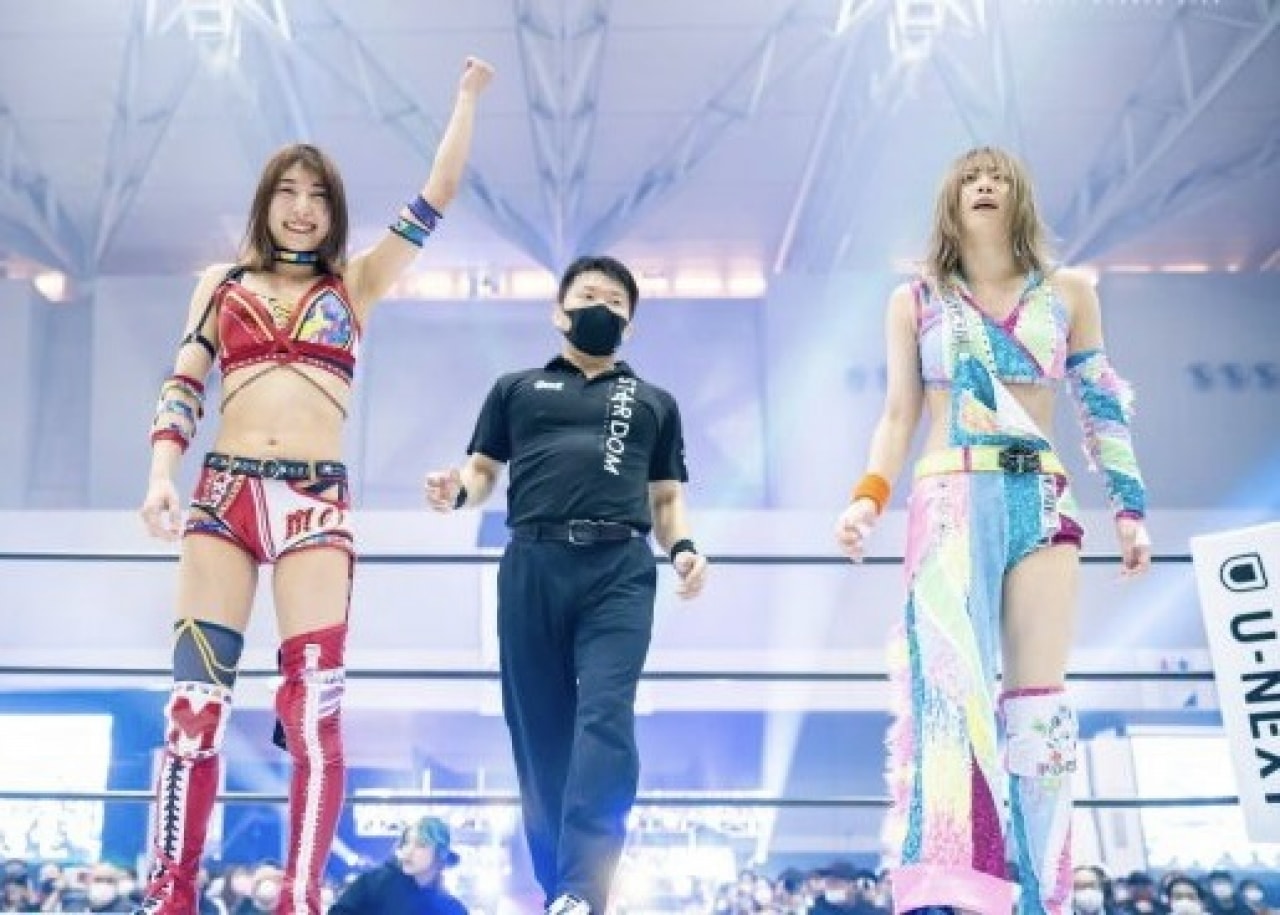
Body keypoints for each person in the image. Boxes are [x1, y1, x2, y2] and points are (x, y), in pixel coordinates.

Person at [134, 57, 495, 915]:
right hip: (222, 498)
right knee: (193, 709)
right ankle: (170, 896)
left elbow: (438, 194)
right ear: (265, 201)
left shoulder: (355, 284)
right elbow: (184, 383)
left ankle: (297, 897)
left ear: (334, 211)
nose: (302, 206)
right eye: (288, 191)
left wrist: (465, 97)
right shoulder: (220, 285)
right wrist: (160, 474)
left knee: (312, 716)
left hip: (312, 505)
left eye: (319, 195)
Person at [834, 147, 1152, 915]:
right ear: (952, 198)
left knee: (1041, 707)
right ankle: (960, 895)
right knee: (951, 695)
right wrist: (867, 498)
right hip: (950, 497)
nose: (984, 185)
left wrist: (1131, 508)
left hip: (1041, 498)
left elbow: (1099, 403)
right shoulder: (916, 299)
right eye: (971, 177)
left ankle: (1047, 899)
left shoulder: (1069, 292)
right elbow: (898, 415)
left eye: (998, 176)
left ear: (1020, 196)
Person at [424, 254, 710, 915]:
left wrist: (685, 548)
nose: (600, 308)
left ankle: (585, 886)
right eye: (588, 295)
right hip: (532, 563)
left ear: (630, 324)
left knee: (605, 718)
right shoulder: (516, 389)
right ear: (559, 312)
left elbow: (667, 499)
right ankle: (562, 891)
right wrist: (455, 491)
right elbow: (481, 472)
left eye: (615, 302)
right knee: (539, 732)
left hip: (619, 570)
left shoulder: (654, 403)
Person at [328, 816, 468, 915]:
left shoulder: (451, 908)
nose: (408, 851)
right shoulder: (375, 884)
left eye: (420, 845)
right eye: (406, 842)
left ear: (440, 854)